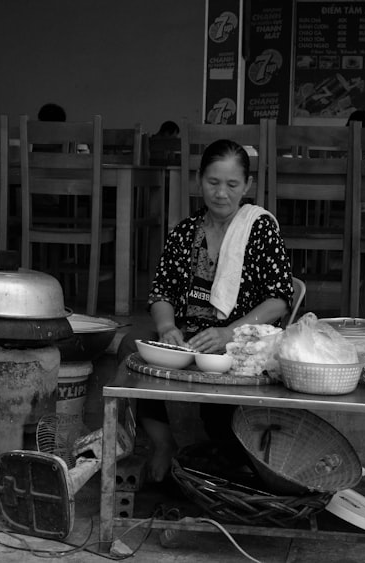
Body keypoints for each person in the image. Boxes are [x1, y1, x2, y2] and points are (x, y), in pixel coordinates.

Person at [116, 139, 294, 482]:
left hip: (240, 340)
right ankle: (162, 444)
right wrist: (167, 326)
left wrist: (230, 333)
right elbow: (162, 292)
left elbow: (279, 299)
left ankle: (226, 463)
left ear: (248, 186)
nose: (221, 193)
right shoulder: (184, 233)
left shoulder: (260, 229)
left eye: (232, 185)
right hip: (188, 339)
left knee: (221, 425)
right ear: (199, 181)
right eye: (213, 183)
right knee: (130, 346)